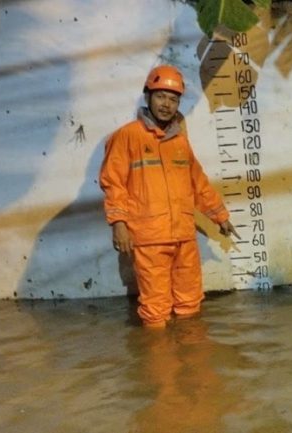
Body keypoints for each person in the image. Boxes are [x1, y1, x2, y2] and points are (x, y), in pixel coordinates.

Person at [100, 64, 238, 329]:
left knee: (190, 303)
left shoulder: (180, 141)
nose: (166, 104)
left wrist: (220, 215)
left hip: (184, 236)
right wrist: (119, 224)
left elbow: (198, 183)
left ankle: (191, 361)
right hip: (150, 238)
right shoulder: (128, 136)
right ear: (147, 95)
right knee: (155, 309)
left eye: (173, 99)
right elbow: (113, 183)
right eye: (161, 96)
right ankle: (159, 365)